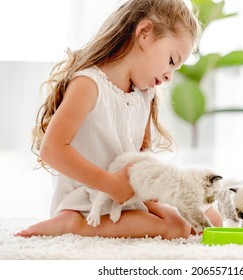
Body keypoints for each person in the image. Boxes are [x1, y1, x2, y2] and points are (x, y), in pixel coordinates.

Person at [16, 0, 222, 240]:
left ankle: (154, 213)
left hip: (126, 198)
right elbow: (52, 150)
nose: (169, 76)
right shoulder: (89, 85)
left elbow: (143, 154)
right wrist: (111, 185)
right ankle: (73, 223)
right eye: (171, 61)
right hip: (88, 199)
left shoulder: (145, 94)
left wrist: (158, 193)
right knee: (174, 227)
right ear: (144, 33)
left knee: (211, 218)